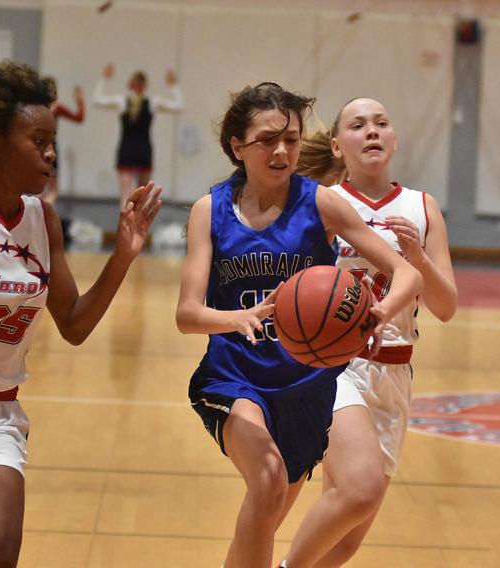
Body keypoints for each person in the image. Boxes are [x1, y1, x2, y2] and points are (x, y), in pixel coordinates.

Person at [0, 60, 162, 566]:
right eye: (38, 140)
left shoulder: (41, 219)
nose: (51, 153)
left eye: (52, 141)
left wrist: (123, 256)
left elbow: (72, 324)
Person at [175, 83, 422, 568]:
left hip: (309, 383)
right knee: (266, 480)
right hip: (236, 377)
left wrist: (380, 311)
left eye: (290, 138)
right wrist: (236, 317)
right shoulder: (211, 210)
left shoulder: (321, 204)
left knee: (272, 508)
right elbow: (187, 314)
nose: (282, 150)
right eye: (267, 140)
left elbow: (407, 273)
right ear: (237, 147)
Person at [284, 98, 458, 568]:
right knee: (360, 489)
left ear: (395, 139)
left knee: (346, 540)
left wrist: (416, 259)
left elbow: (445, 307)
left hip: (395, 372)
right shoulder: (323, 203)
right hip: (335, 367)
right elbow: (293, 290)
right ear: (339, 146)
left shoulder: (422, 208)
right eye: (358, 125)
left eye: (382, 123)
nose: (373, 131)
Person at [93, 63, 182, 208]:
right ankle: (134, 228)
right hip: (139, 149)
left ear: (130, 84)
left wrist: (104, 79)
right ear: (144, 85)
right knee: (140, 195)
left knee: (128, 195)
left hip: (134, 149)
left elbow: (97, 99)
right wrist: (174, 86)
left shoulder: (138, 102)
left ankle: (128, 227)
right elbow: (178, 104)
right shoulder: (141, 102)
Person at [41, 76, 85, 205]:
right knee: (53, 188)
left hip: (37, 146)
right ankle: (44, 215)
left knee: (39, 186)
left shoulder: (36, 108)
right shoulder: (56, 108)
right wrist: (79, 100)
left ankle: (36, 215)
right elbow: (79, 117)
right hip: (51, 147)